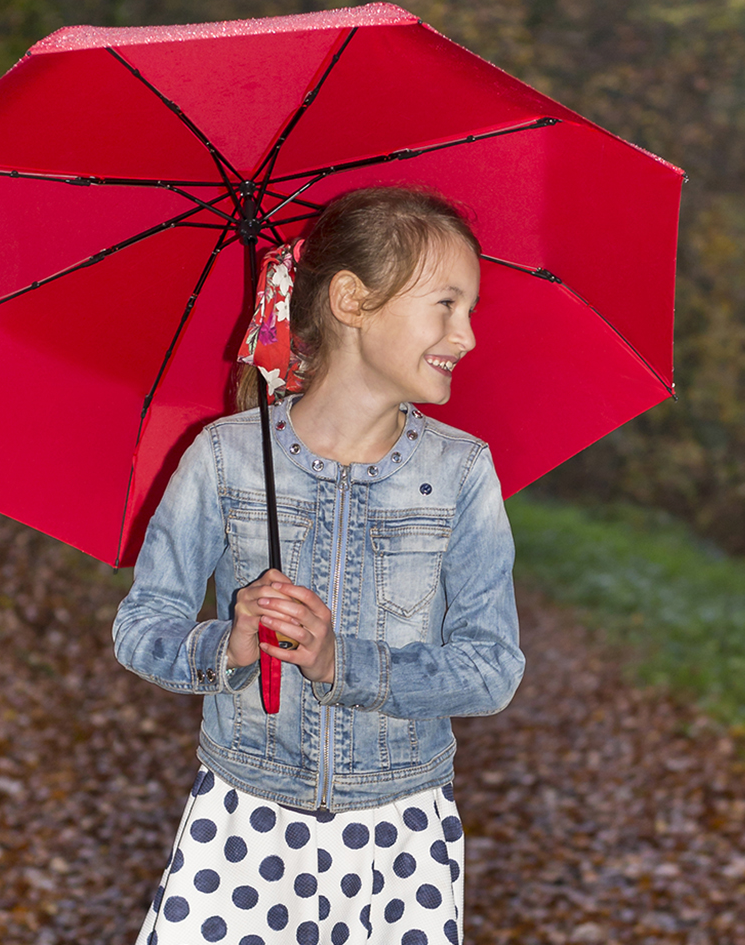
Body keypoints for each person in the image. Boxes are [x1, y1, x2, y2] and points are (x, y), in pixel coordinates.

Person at [113, 185, 524, 945]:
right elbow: (141, 626)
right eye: (445, 304)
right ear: (351, 301)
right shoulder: (226, 457)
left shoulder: (461, 473)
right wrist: (224, 646)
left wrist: (345, 662)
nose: (465, 336)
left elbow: (493, 667)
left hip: (397, 843)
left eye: (469, 311)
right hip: (244, 827)